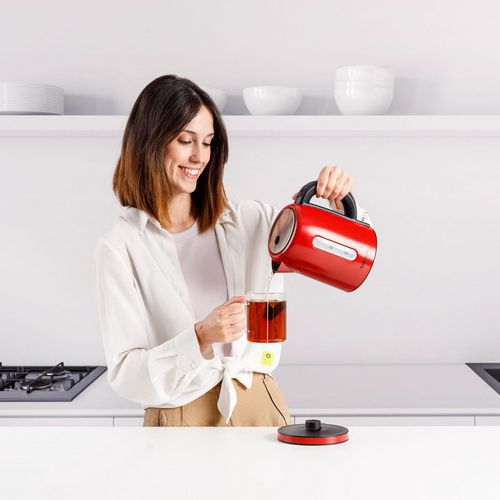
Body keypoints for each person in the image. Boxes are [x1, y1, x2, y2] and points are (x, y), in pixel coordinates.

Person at [92, 74, 371, 427]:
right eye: (185, 140)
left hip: (259, 405)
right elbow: (126, 374)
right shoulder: (121, 247)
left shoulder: (251, 221)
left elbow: (350, 260)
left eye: (208, 143)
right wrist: (200, 337)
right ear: (150, 142)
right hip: (179, 414)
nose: (199, 156)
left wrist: (339, 205)